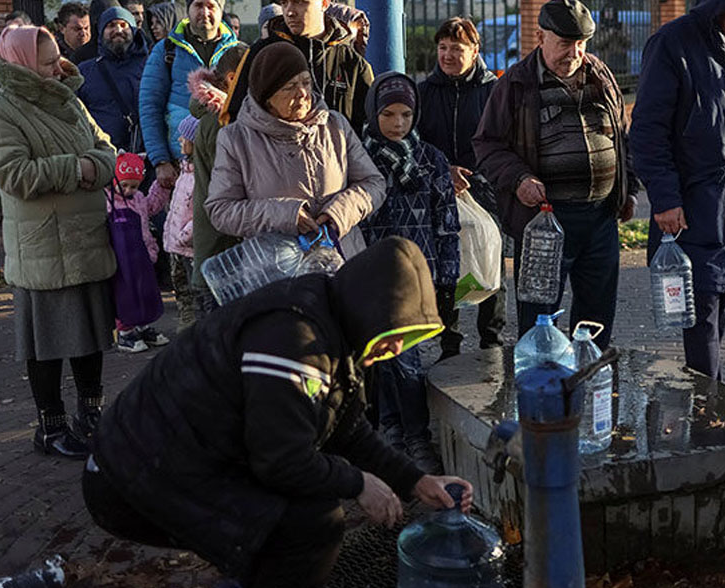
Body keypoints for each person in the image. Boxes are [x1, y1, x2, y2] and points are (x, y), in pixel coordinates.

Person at [83, 236, 474, 588]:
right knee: (310, 523)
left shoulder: (334, 319)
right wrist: (358, 483)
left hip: (189, 456)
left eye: (406, 339)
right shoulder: (294, 339)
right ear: (370, 305)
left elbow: (347, 430)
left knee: (291, 523)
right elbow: (280, 460)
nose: (394, 348)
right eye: (393, 333)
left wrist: (416, 480)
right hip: (130, 473)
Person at [473, 0, 638, 349]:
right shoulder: (515, 84)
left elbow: (623, 138)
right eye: (565, 43)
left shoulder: (601, 74)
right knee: (538, 315)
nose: (574, 53)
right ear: (540, 37)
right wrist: (519, 179)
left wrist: (628, 190)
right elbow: (487, 144)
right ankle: (540, 391)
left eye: (581, 43)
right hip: (545, 221)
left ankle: (588, 382)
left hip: (600, 217)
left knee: (596, 317)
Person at [630, 0, 725, 381]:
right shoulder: (672, 43)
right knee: (701, 315)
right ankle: (708, 410)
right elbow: (647, 132)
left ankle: (706, 400)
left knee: (721, 306)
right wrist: (664, 198)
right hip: (693, 209)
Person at [0, 25, 117, 457]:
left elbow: (105, 148)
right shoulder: (4, 110)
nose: (55, 68)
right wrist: (77, 170)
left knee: (90, 336)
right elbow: (13, 174)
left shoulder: (68, 98)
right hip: (44, 245)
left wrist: (97, 164)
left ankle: (91, 415)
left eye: (55, 58)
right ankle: (50, 426)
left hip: (86, 238)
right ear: (23, 64)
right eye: (46, 62)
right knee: (46, 343)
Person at [360, 71, 460, 473]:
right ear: (373, 114)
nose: (398, 124)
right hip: (373, 275)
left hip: (419, 276)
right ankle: (394, 430)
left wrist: (448, 277)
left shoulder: (430, 159)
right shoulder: (359, 159)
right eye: (388, 115)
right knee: (384, 356)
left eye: (405, 114)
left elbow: (446, 221)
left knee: (406, 357)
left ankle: (413, 435)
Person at [205, 42, 384, 260]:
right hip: (278, 271)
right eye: (289, 87)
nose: (302, 93)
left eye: (306, 83)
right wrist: (286, 215)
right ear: (266, 96)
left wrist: (339, 213)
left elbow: (374, 183)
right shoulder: (236, 139)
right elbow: (221, 210)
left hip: (342, 261)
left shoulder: (334, 125)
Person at [418, 16, 505, 358]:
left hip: (483, 189)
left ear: (475, 51)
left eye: (457, 48)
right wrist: (443, 171)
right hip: (441, 189)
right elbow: (417, 141)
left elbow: (503, 139)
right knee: (447, 264)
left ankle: (491, 338)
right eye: (442, 48)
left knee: (490, 261)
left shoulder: (493, 90)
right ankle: (449, 340)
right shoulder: (424, 92)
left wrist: (477, 175)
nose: (448, 55)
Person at [223, 0, 374, 134]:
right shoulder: (260, 55)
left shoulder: (352, 63)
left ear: (324, 4)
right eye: (284, 3)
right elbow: (233, 116)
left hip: (335, 162)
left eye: (300, 2)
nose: (289, 11)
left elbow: (369, 128)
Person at [139, 0, 238, 190]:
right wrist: (160, 160)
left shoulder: (237, 51)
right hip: (181, 165)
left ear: (221, 9)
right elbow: (149, 107)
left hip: (229, 163)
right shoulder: (166, 50)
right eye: (198, 5)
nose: (205, 12)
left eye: (211, 6)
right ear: (188, 9)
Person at [186, 43, 249, 315]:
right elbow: (232, 182)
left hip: (221, 247)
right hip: (219, 250)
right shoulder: (220, 121)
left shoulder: (224, 116)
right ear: (233, 79)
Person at [107, 152, 173, 353]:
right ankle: (125, 331)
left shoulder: (139, 199)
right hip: (120, 258)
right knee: (125, 294)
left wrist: (161, 187)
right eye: (124, 185)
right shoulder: (107, 200)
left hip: (141, 254)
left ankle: (142, 324)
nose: (128, 190)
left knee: (144, 291)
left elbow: (152, 206)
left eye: (133, 186)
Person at [77, 6, 150, 153]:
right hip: (104, 158)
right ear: (101, 32)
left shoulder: (151, 66)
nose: (118, 30)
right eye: (110, 25)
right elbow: (76, 118)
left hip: (146, 157)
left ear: (134, 31)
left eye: (124, 25)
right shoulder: (85, 72)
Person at [162, 115, 200, 331]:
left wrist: (185, 235)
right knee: (180, 287)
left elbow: (200, 211)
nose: (179, 140)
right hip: (175, 245)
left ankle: (193, 326)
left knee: (194, 289)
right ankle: (186, 321)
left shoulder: (200, 175)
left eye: (184, 137)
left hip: (188, 245)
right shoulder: (183, 172)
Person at [68, 0, 121, 64]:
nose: (118, 30)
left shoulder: (134, 52)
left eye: (122, 24)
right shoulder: (80, 58)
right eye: (110, 25)